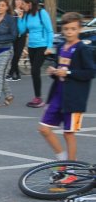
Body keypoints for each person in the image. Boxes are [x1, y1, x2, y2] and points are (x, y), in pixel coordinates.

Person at [38, 12, 95, 163]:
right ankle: (62, 159)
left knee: (68, 133)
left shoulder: (83, 49)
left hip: (74, 99)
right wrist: (53, 71)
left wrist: (68, 72)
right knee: (44, 128)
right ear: (62, 29)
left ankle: (71, 168)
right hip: (57, 95)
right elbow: (60, 68)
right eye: (67, 29)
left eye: (73, 29)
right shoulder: (61, 46)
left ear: (80, 30)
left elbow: (90, 72)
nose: (69, 32)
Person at [17, 0, 53, 108]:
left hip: (42, 47)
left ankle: (39, 98)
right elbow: (22, 30)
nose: (22, 6)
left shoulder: (42, 13)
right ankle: (37, 97)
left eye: (24, 3)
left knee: (35, 70)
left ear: (31, 3)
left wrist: (49, 46)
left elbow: (50, 31)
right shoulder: (27, 15)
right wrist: (20, 17)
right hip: (31, 47)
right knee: (34, 72)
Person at [7, 0, 27, 82]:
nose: (18, 2)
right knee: (15, 55)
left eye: (20, 0)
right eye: (17, 0)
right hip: (14, 36)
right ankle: (17, 74)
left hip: (22, 36)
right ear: (14, 1)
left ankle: (11, 73)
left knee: (17, 55)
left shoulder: (25, 12)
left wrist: (21, 17)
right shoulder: (11, 12)